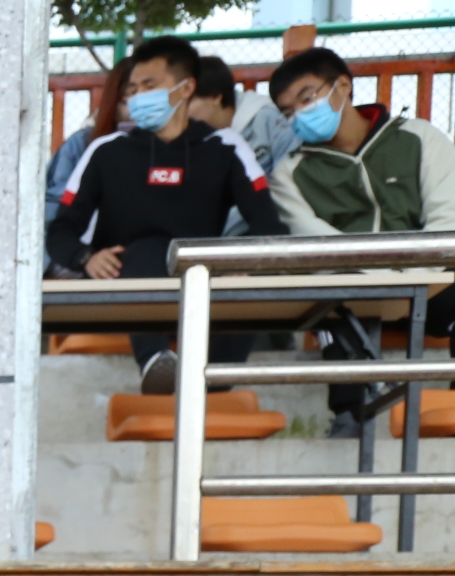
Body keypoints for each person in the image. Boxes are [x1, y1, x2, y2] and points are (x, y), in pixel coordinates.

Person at [49, 35, 283, 394]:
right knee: (148, 248)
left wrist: (245, 263)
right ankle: (156, 362)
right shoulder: (106, 151)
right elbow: (60, 231)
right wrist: (85, 258)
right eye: (133, 90)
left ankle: (213, 383)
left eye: (149, 86)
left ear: (185, 88)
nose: (138, 97)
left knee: (237, 279)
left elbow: (267, 224)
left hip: (200, 274)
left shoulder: (225, 147)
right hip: (124, 277)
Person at [267, 45, 455, 435]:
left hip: (432, 278)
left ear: (343, 87)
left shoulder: (418, 138)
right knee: (328, 301)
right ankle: (349, 417)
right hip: (352, 284)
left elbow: (447, 218)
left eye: (307, 98)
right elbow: (318, 244)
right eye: (288, 112)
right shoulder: (290, 173)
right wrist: (382, 280)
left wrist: (412, 278)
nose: (299, 115)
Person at [46, 56, 131, 225]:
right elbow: (55, 206)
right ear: (112, 101)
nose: (138, 107)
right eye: (128, 98)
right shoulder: (82, 143)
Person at [190, 54, 295, 186]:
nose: (179, 111)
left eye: (187, 102)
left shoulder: (268, 120)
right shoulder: (189, 135)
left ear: (216, 97)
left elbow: (291, 181)